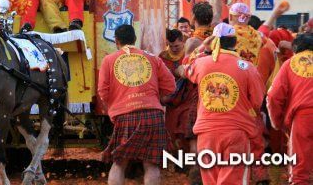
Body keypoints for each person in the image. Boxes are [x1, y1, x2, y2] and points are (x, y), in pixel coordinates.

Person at [185, 23, 264, 185]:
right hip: (236, 133)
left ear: (214, 41)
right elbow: (257, 102)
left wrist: (202, 48)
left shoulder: (202, 63)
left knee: (210, 181)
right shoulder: (247, 67)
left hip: (206, 134)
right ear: (235, 42)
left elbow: (186, 64)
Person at [98, 25, 176, 185]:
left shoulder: (109, 60)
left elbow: (103, 92)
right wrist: (155, 96)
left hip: (125, 116)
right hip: (153, 114)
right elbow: (170, 86)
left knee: (119, 162)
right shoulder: (152, 58)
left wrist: (117, 104)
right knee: (151, 164)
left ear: (116, 41)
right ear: (134, 39)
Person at [267, 33, 312, 185]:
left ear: (296, 49)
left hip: (303, 118)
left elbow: (273, 96)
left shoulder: (290, 63)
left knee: (299, 171)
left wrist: (277, 122)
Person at [159, 29, 193, 151]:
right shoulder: (162, 57)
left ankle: (187, 161)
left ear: (183, 42)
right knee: (171, 129)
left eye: (177, 46)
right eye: (170, 46)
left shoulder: (189, 55)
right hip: (171, 101)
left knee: (186, 128)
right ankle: (173, 159)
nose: (173, 49)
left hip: (187, 98)